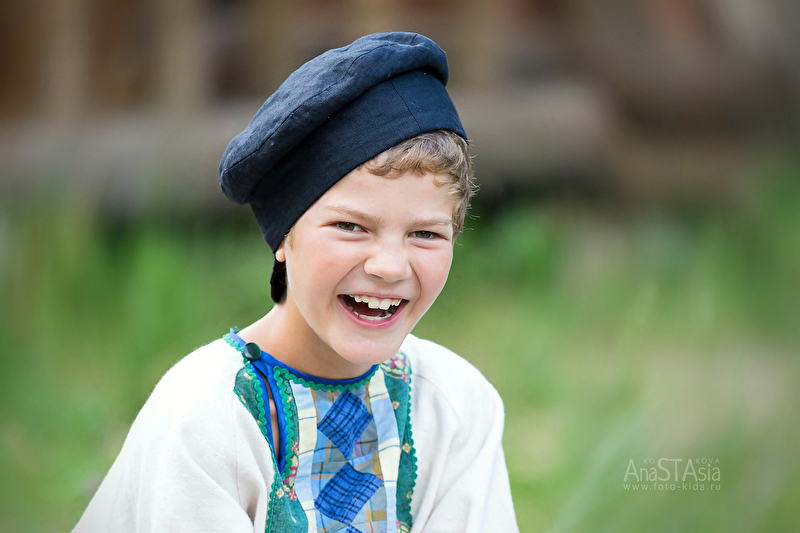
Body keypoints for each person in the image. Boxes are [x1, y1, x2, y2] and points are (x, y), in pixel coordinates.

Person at [74, 32, 519, 533]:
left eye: (426, 234)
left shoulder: (455, 405)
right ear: (284, 236)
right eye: (351, 226)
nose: (390, 267)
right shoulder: (205, 419)